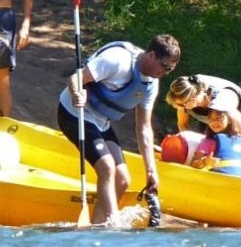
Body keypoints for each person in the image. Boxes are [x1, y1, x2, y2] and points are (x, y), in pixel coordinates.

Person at [57, 34, 181, 225]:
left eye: (171, 69)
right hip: (74, 113)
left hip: (101, 122)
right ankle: (114, 225)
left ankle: (97, 226)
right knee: (106, 167)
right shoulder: (117, 60)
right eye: (165, 66)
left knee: (122, 179)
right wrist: (76, 94)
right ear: (151, 56)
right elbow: (76, 78)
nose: (166, 72)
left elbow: (144, 128)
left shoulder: (150, 85)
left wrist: (151, 171)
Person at [165, 74, 241, 163]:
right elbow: (182, 124)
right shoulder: (186, 95)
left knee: (228, 144)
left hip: (234, 108)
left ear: (192, 100)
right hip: (206, 107)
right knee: (207, 142)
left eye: (181, 105)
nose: (179, 107)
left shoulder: (224, 102)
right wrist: (190, 151)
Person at [193, 95, 241, 178]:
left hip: (240, 183)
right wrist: (205, 161)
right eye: (211, 119)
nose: (214, 122)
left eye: (219, 118)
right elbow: (193, 164)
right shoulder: (208, 141)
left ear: (230, 120)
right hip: (218, 182)